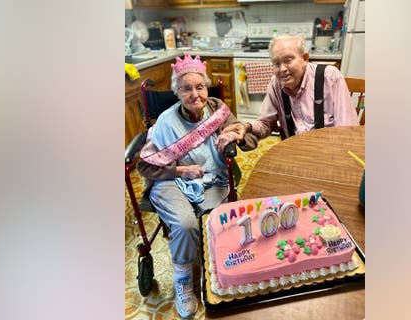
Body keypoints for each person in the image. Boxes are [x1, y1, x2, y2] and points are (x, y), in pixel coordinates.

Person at [137, 52, 257, 318]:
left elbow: (244, 137)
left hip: (211, 177)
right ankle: (183, 284)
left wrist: (236, 133)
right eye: (186, 88)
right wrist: (179, 169)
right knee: (186, 224)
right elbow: (145, 166)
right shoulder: (165, 123)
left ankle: (219, 268)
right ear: (176, 92)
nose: (195, 94)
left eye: (200, 86)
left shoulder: (216, 109)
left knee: (218, 220)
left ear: (207, 88)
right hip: (170, 180)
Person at [222, 34, 359, 141]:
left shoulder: (329, 77)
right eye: (276, 63)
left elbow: (347, 131)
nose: (282, 69)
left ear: (304, 58)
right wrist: (246, 126)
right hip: (292, 152)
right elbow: (265, 124)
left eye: (288, 60)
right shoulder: (275, 84)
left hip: (328, 153)